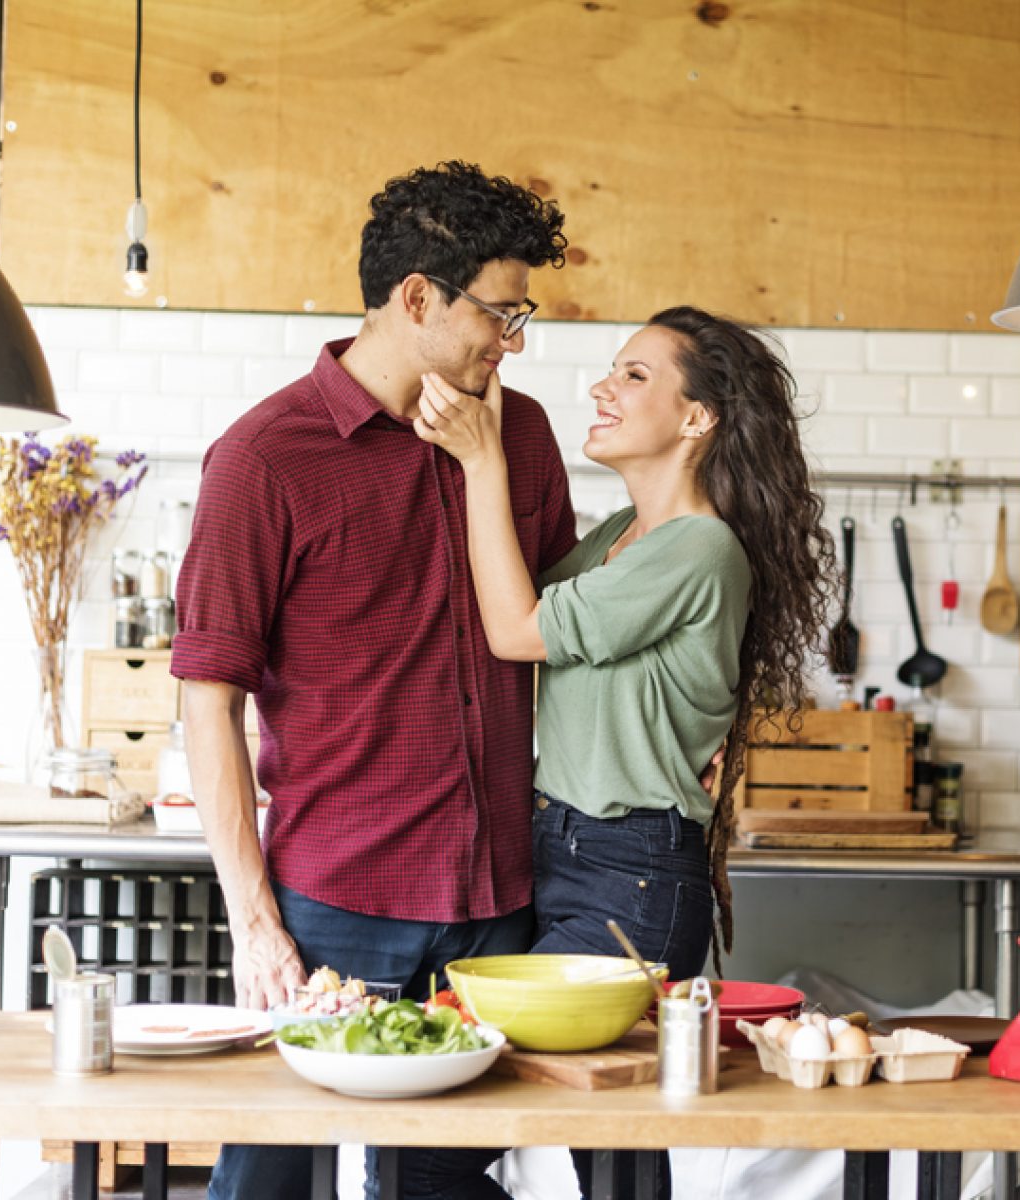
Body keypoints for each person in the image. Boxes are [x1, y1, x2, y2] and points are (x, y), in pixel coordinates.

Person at [172, 161, 574, 1200]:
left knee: (440, 1180)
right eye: (501, 310)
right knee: (272, 1175)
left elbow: (564, 637)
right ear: (416, 298)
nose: (512, 339)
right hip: (339, 907)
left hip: (500, 907)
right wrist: (255, 922)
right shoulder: (265, 459)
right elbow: (206, 696)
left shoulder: (519, 437)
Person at [416, 305, 836, 986]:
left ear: (698, 418)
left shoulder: (699, 547)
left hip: (629, 875)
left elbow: (517, 632)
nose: (601, 389)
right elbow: (503, 597)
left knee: (503, 1044)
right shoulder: (621, 534)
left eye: (634, 375)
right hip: (564, 853)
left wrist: (480, 456)